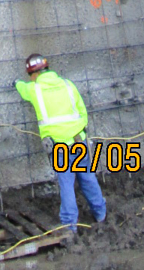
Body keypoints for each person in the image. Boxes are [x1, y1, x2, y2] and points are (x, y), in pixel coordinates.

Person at [14, 53, 106, 239]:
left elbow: (22, 89)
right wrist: (80, 133)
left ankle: (70, 225)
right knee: (88, 178)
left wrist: (16, 82)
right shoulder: (67, 84)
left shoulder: (34, 89)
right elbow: (82, 111)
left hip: (59, 146)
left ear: (33, 74)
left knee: (66, 183)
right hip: (78, 141)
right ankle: (101, 214)